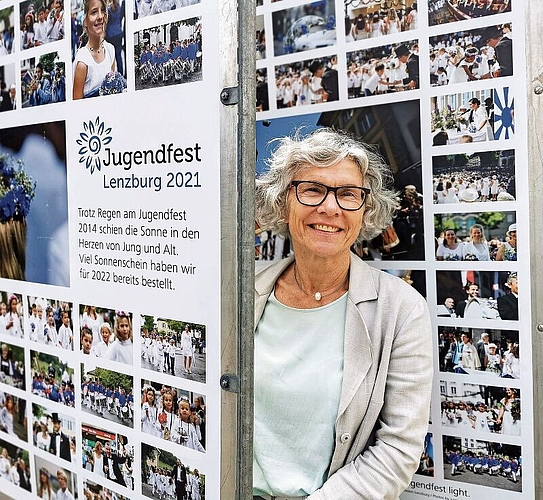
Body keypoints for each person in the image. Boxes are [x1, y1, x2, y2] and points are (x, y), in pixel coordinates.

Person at [253, 128, 432, 499]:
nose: (330, 208)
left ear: (366, 211)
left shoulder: (402, 310)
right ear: (283, 202)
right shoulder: (244, 295)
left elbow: (397, 451)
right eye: (312, 189)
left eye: (349, 194)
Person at [73, 0, 116, 98]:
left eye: (102, 11)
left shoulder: (110, 50)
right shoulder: (83, 62)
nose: (100, 17)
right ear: (85, 22)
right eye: (94, 12)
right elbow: (76, 107)